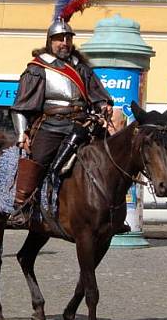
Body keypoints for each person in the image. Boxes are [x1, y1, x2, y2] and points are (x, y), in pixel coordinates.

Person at [8, 15, 112, 227]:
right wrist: (22, 134)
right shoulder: (38, 68)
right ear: (50, 41)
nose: (64, 43)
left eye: (68, 38)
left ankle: (112, 210)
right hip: (52, 125)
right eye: (59, 38)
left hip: (82, 124)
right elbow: (21, 106)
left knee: (111, 157)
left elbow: (97, 94)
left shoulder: (81, 68)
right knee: (38, 160)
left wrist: (103, 105)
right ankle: (22, 205)